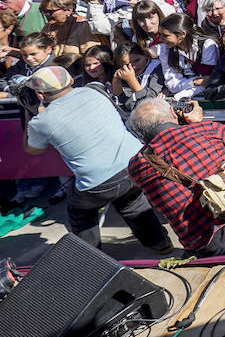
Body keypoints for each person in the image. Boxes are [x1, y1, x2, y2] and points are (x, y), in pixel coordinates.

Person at [22, 66, 172, 253]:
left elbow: (32, 149)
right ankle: (161, 243)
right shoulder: (94, 91)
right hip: (137, 163)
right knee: (132, 202)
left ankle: (92, 258)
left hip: (99, 182)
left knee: (80, 214)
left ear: (41, 95)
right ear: (70, 81)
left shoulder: (41, 122)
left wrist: (30, 113)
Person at [126, 97, 225, 256]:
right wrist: (197, 124)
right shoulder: (208, 128)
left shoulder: (138, 166)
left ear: (139, 132)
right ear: (173, 113)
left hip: (210, 240)